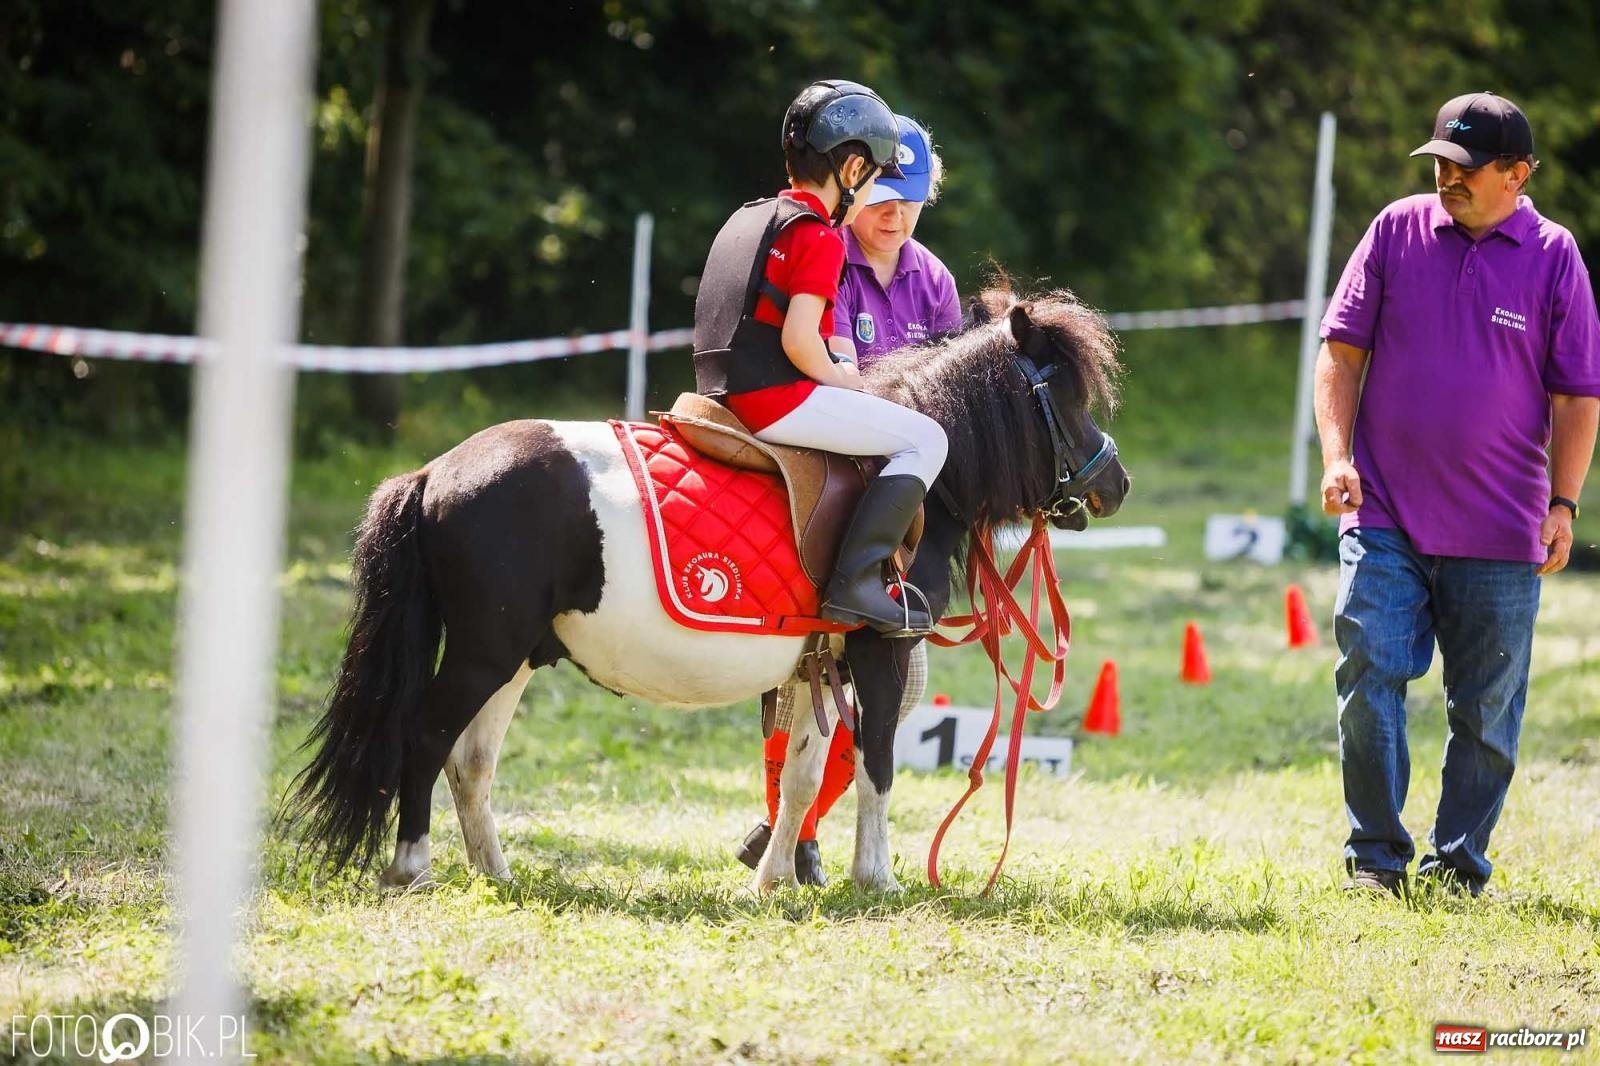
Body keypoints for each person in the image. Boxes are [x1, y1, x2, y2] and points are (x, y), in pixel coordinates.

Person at [1316, 92, 1600, 898]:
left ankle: (1457, 866)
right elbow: (1339, 353)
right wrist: (1338, 456)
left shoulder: (1554, 255)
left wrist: (1564, 503)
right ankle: (1375, 858)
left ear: (1518, 174)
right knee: (1368, 669)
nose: (1447, 178)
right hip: (1386, 512)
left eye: (1467, 168)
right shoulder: (1397, 230)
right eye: (1440, 163)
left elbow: (1579, 396)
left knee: (1485, 712)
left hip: (1502, 530)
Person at [733, 115, 962, 885]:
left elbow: (953, 397)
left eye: (912, 201)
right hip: (824, 469)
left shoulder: (934, 281)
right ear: (856, 184)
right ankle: (790, 831)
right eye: (883, 198)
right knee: (796, 683)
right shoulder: (822, 250)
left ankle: (788, 826)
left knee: (902, 686)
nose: (894, 215)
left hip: (896, 497)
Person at [692, 80, 948, 637]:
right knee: (928, 439)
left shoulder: (751, 216)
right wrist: (843, 380)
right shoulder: (821, 237)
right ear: (853, 171)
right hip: (773, 397)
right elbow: (799, 342)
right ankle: (856, 584)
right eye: (878, 177)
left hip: (717, 390)